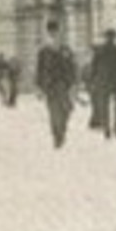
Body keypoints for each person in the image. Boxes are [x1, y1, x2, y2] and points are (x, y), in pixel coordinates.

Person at [34, 19, 78, 150]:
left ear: (59, 32)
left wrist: (74, 83)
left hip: (64, 85)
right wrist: (39, 87)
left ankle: (61, 131)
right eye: (51, 32)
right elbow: (39, 69)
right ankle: (57, 136)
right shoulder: (43, 51)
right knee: (54, 112)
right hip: (51, 86)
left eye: (56, 32)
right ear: (48, 33)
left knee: (67, 109)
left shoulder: (66, 49)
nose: (54, 34)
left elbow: (72, 67)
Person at [88, 29, 116, 139]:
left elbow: (94, 67)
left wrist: (92, 81)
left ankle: (108, 128)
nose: (110, 40)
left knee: (105, 106)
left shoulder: (100, 50)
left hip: (104, 82)